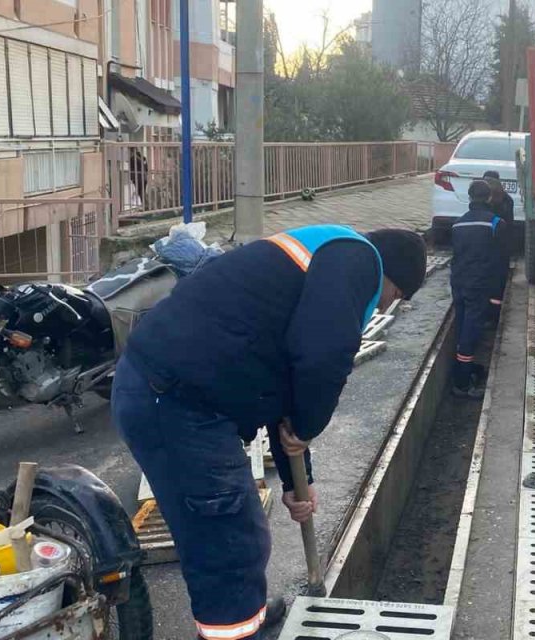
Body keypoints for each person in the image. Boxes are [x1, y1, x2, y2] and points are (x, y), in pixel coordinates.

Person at [112, 225, 427, 640]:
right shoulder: (359, 259)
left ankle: (249, 616)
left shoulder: (320, 262)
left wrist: (301, 481)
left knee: (238, 530)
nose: (388, 306)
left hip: (175, 392)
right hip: (173, 400)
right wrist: (309, 426)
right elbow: (322, 355)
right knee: (228, 540)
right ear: (390, 275)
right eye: (397, 295)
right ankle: (238, 632)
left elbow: (286, 382)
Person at [450, 181, 506, 399]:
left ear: (470, 197)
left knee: (463, 326)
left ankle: (464, 370)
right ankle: (462, 384)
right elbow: (501, 262)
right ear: (490, 197)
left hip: (459, 283)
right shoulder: (495, 223)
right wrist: (497, 296)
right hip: (479, 285)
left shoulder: (458, 224)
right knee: (471, 333)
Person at [482, 171, 515, 320]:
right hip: (501, 251)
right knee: (497, 286)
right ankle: (494, 317)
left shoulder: (485, 201)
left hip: (486, 251)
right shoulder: (507, 200)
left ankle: (488, 316)